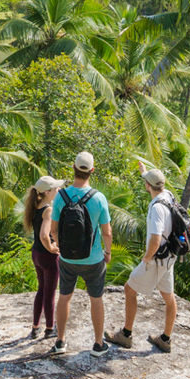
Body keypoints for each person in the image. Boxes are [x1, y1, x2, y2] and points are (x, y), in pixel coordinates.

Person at [44, 151, 112, 357]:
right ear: (92, 171)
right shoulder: (99, 198)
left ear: (73, 168)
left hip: (67, 259)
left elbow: (53, 230)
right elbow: (107, 232)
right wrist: (107, 252)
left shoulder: (61, 197)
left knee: (64, 298)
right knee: (96, 299)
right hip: (93, 260)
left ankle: (60, 342)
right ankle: (98, 344)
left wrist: (61, 247)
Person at [108, 167, 179, 353]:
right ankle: (165, 339)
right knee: (169, 297)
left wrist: (147, 258)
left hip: (156, 260)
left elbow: (155, 239)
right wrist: (145, 171)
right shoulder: (168, 195)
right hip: (169, 256)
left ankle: (126, 334)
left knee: (129, 289)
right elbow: (153, 181)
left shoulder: (156, 209)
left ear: (148, 186)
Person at [23, 175, 61, 339]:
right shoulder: (48, 210)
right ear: (47, 192)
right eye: (55, 189)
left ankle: (35, 326)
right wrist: (52, 248)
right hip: (47, 256)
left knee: (41, 290)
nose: (58, 190)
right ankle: (50, 329)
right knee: (50, 293)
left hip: (36, 253)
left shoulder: (36, 206)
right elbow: (44, 235)